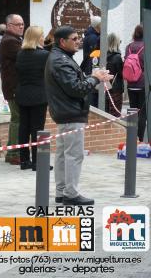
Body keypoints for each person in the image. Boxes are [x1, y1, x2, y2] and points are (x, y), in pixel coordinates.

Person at [45, 26, 113, 206]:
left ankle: (62, 192)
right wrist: (95, 78)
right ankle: (71, 193)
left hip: (66, 112)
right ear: (62, 41)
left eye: (78, 38)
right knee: (73, 155)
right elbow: (76, 89)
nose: (78, 41)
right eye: (74, 39)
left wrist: (94, 76)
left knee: (63, 155)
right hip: (70, 113)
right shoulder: (61, 61)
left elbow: (74, 82)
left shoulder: (61, 58)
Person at [15, 26, 50, 171]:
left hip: (22, 94)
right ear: (37, 38)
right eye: (41, 35)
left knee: (24, 127)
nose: (43, 38)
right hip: (39, 96)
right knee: (38, 129)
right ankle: (37, 162)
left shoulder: (20, 54)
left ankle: (24, 161)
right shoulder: (44, 55)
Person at [0, 14, 25, 165]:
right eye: (17, 24)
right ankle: (14, 153)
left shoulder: (14, 39)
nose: (21, 26)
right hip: (13, 87)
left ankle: (12, 151)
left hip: (15, 86)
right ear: (9, 26)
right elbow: (24, 57)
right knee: (17, 119)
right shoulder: (10, 41)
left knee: (17, 119)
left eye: (22, 24)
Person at [125, 25, 146, 142]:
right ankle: (140, 139)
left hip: (130, 84)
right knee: (142, 113)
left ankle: (132, 139)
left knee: (132, 112)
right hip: (142, 84)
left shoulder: (128, 47)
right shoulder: (146, 46)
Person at [105, 33, 124, 117]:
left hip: (106, 87)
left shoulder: (103, 55)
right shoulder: (117, 57)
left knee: (106, 113)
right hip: (116, 88)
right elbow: (121, 73)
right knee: (115, 114)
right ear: (116, 43)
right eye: (119, 41)